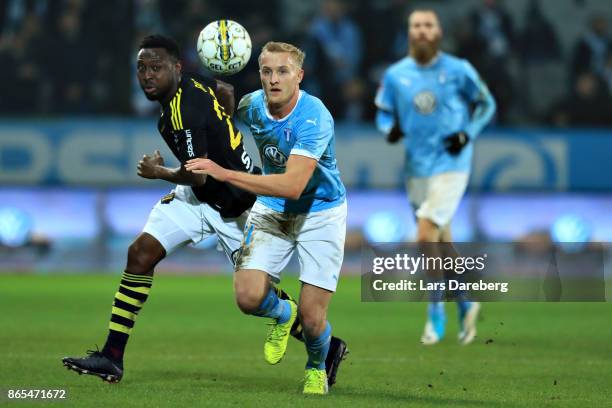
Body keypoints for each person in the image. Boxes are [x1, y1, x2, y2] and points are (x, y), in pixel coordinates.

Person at [62, 35, 347, 386]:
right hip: (197, 198)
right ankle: (112, 356)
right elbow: (224, 97)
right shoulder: (196, 84)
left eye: (156, 68)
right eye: (142, 68)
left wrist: (160, 172)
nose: (148, 76)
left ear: (176, 69)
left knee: (253, 296)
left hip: (234, 204)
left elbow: (197, 173)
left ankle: (323, 343)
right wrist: (223, 121)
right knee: (140, 253)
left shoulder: (184, 112)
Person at [185, 41, 347, 395]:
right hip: (272, 211)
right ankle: (282, 314)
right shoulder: (252, 106)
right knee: (247, 298)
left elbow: (291, 185)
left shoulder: (313, 116)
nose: (274, 80)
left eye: (283, 71)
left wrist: (224, 174)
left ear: (299, 76)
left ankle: (316, 366)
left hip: (319, 213)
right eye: (267, 72)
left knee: (314, 318)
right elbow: (224, 119)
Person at [374, 10, 496, 345]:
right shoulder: (396, 75)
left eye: (429, 25)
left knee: (425, 231)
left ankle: (434, 313)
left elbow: (487, 104)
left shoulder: (459, 70)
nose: (423, 31)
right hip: (417, 166)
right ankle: (466, 302)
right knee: (440, 242)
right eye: (416, 26)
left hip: (452, 164)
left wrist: (467, 134)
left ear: (439, 31)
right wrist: (391, 130)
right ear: (409, 32)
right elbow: (384, 114)